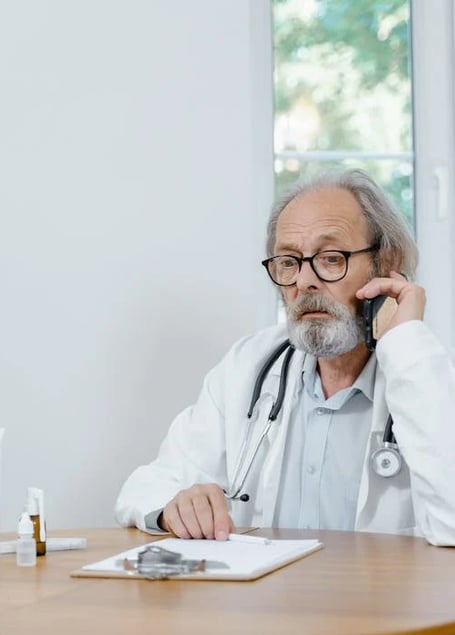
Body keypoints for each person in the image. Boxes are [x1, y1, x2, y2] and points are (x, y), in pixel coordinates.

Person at [115, 169, 455, 546]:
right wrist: (175, 506)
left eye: (329, 258)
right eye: (289, 262)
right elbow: (146, 487)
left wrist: (406, 340)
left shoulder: (426, 375)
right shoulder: (248, 366)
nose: (303, 282)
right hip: (268, 603)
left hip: (380, 604)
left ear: (385, 262)